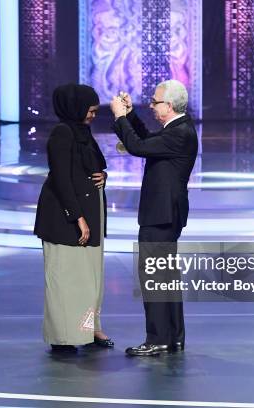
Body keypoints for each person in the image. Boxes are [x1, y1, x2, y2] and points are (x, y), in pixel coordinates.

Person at [110, 80, 198, 356]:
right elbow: (147, 141)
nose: (151, 105)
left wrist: (120, 117)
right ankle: (172, 336)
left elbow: (137, 147)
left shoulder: (179, 133)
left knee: (154, 276)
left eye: (155, 101)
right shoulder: (176, 130)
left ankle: (158, 338)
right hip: (164, 213)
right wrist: (131, 115)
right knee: (165, 277)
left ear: (169, 106)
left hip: (160, 215)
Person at [34, 84, 113, 352]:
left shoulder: (82, 132)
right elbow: (61, 179)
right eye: (90, 111)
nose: (93, 115)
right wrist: (77, 217)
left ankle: (88, 329)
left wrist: (103, 176)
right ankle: (64, 336)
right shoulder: (62, 134)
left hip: (91, 214)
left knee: (89, 280)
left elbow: (92, 166)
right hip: (66, 219)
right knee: (65, 281)